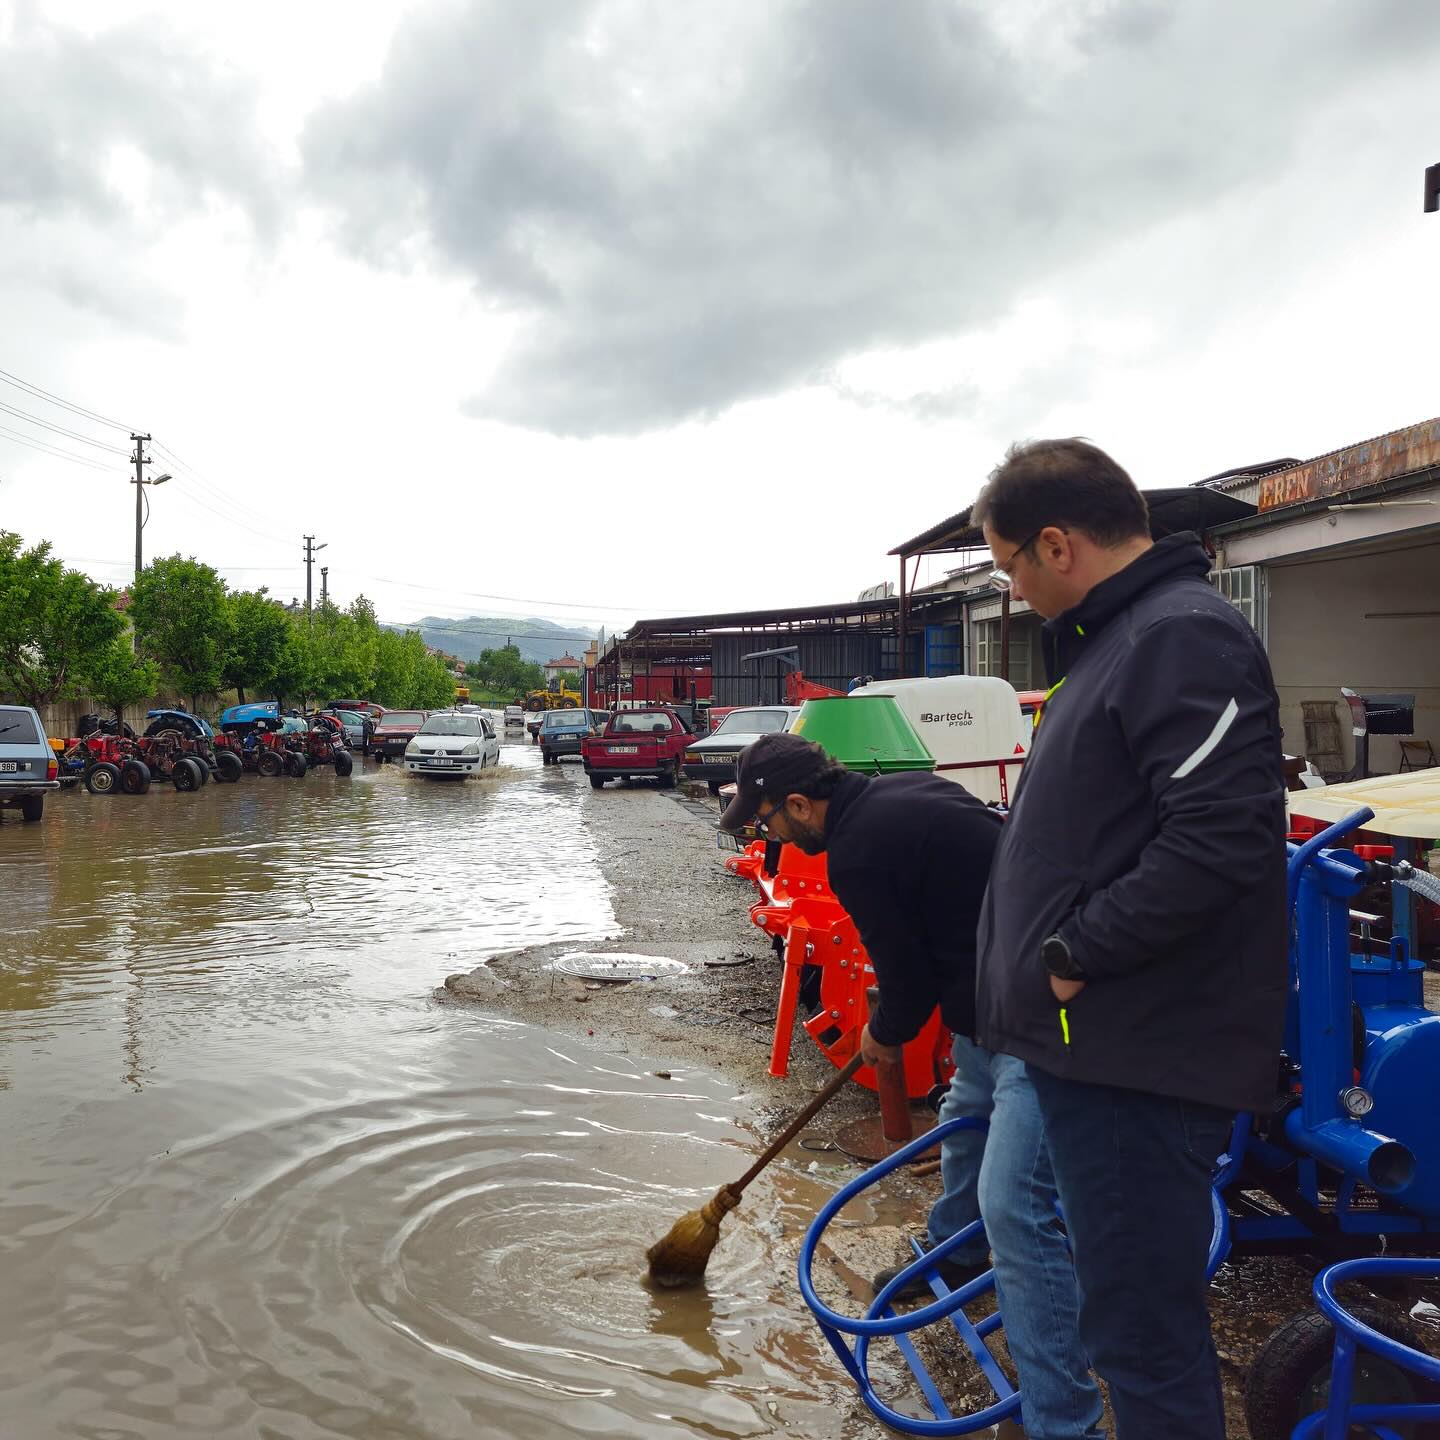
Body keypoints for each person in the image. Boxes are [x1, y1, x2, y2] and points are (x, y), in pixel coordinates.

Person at [973, 439, 1287, 1440]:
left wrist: (1073, 956)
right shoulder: (1124, 638)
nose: (1014, 594)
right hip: (1100, 1045)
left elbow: (1223, 838)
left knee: (1140, 1331)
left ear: (1056, 543)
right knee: (1126, 1315)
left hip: (1135, 1051)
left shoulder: (1178, 636)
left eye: (1009, 567)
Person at [718, 733, 1104, 1440]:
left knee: (1017, 1206)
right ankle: (954, 1250)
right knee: (965, 1110)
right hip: (989, 1002)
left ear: (800, 804)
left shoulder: (859, 851)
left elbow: (906, 975)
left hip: (1042, 1013)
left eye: (767, 820)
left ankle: (1063, 1421)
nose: (768, 834)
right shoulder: (903, 789)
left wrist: (884, 1034)